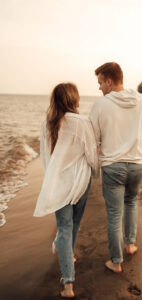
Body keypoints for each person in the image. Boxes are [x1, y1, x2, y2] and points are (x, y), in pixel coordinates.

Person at [89, 62, 142, 273]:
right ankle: (130, 245)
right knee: (131, 202)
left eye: (100, 82)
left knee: (114, 213)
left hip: (113, 167)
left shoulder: (101, 105)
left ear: (109, 81)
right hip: (138, 165)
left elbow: (93, 138)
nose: (99, 87)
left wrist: (93, 165)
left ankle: (116, 261)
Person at [34, 83, 98, 298]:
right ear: (74, 99)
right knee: (74, 224)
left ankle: (68, 285)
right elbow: (91, 154)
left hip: (59, 183)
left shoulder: (47, 123)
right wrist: (96, 173)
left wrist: (50, 177)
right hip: (80, 181)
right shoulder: (82, 122)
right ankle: (68, 257)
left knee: (64, 227)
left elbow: (45, 157)